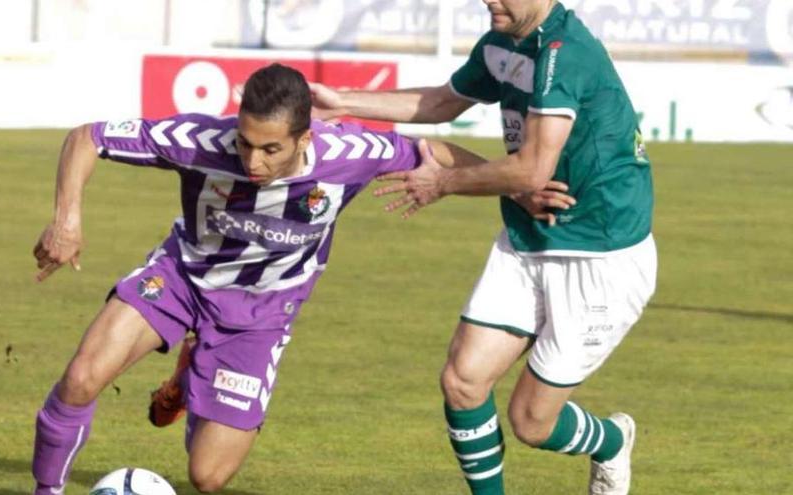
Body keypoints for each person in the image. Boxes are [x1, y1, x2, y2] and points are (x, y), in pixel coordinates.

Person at [29, 62, 572, 495]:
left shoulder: (350, 153)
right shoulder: (197, 139)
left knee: (208, 477)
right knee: (81, 378)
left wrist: (514, 188)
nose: (254, 160)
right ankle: (47, 488)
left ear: (304, 137)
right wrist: (66, 219)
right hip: (182, 278)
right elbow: (87, 138)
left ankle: (192, 375)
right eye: (245, 142)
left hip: (261, 318)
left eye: (271, 149)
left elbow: (433, 151)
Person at [310, 1, 657, 494]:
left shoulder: (566, 53)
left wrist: (444, 183)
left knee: (532, 422)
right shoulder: (502, 42)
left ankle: (611, 441)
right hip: (526, 237)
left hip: (599, 253)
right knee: (462, 380)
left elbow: (533, 170)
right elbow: (440, 103)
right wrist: (341, 101)